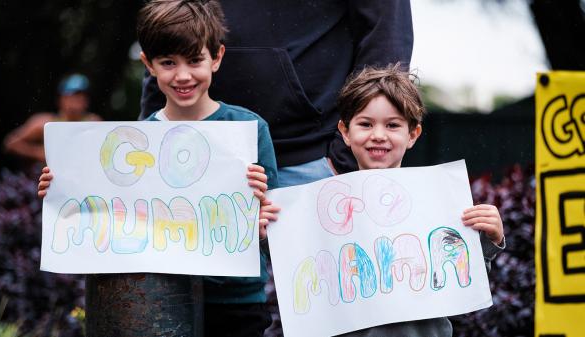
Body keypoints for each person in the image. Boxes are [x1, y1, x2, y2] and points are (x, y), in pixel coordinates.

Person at [139, 3, 414, 334]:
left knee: (332, 323)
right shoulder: (172, 84)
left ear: (216, 56)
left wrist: (343, 156)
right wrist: (151, 140)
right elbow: (168, 29)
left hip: (314, 159)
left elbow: (385, 32)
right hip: (202, 159)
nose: (181, 71)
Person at [39, 1, 278, 336]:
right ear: (148, 64)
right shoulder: (133, 144)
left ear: (217, 57)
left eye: (195, 60)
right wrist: (61, 189)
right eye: (168, 62)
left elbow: (274, 225)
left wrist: (263, 223)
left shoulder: (251, 129)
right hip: (159, 298)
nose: (182, 75)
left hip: (235, 300)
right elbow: (106, 217)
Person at [265, 63, 505, 336]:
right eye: (366, 124)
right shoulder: (319, 210)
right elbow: (297, 280)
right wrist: (266, 235)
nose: (378, 135)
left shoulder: (437, 201)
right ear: (345, 132)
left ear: (413, 134)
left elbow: (461, 282)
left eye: (392, 125)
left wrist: (488, 240)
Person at [3, 73, 101, 163]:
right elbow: (10, 143)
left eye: (81, 97)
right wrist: (37, 153)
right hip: (48, 178)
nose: (76, 101)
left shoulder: (94, 122)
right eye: (72, 96)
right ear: (61, 99)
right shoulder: (43, 123)